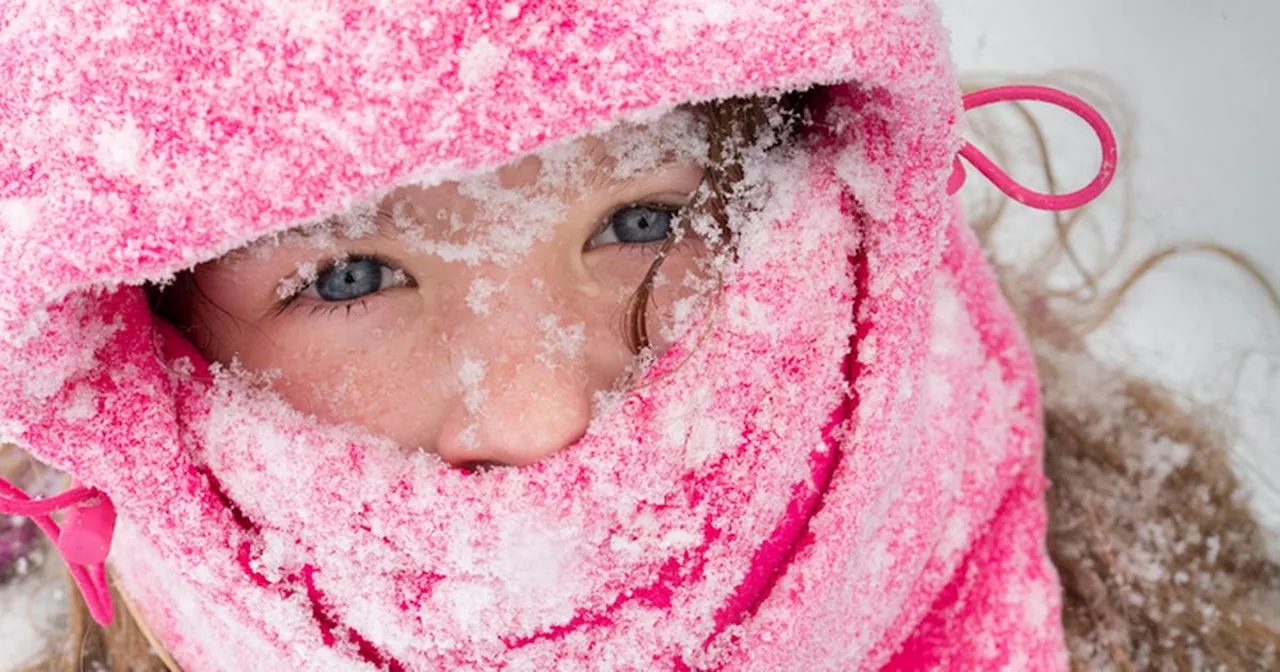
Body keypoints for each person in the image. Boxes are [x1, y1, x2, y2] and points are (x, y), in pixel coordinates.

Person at [0, 1, 1276, 670]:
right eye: (347, 275)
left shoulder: (1131, 594)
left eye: (641, 217)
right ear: (142, 320)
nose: (542, 417)